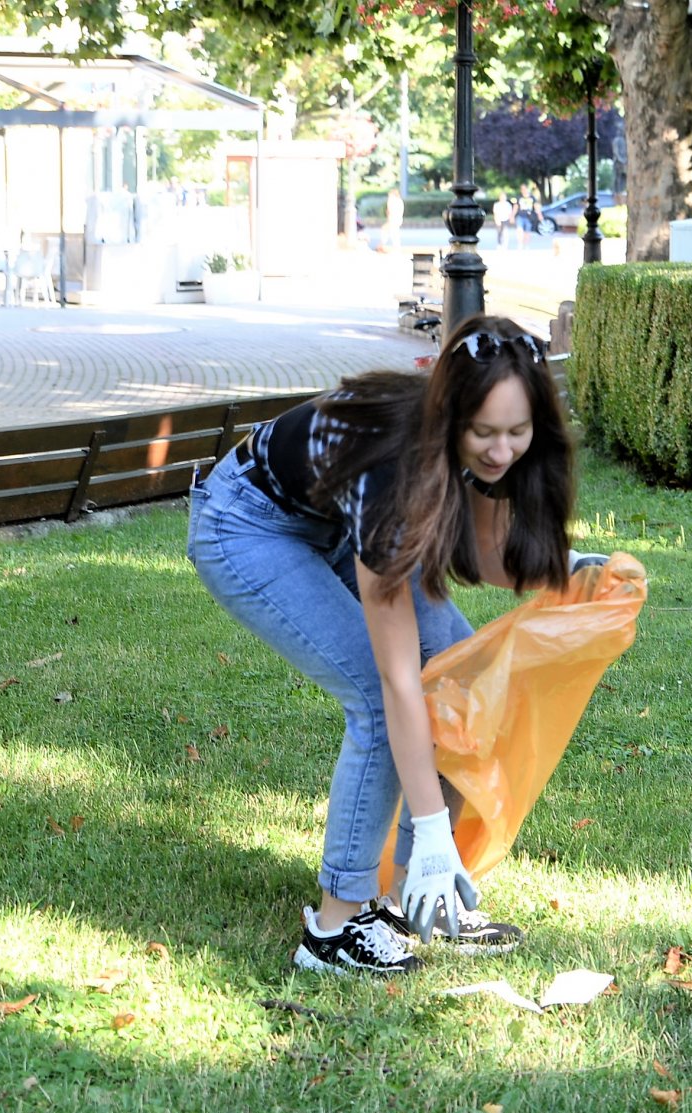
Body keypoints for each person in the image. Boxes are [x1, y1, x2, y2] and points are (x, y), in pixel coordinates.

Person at [186, 315, 592, 977]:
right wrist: (434, 827)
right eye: (483, 433)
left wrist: (570, 570)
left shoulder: (488, 454)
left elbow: (489, 557)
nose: (499, 452)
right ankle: (335, 928)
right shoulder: (394, 471)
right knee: (379, 698)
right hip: (247, 523)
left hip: (331, 521)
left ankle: (414, 899)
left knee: (461, 674)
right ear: (449, 416)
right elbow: (400, 678)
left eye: (517, 433)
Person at [383, 187, 405, 254]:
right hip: (398, 218)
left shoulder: (392, 200)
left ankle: (383, 245)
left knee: (391, 232)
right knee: (393, 232)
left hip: (393, 218)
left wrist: (389, 218)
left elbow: (389, 210)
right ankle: (385, 244)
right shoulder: (399, 200)